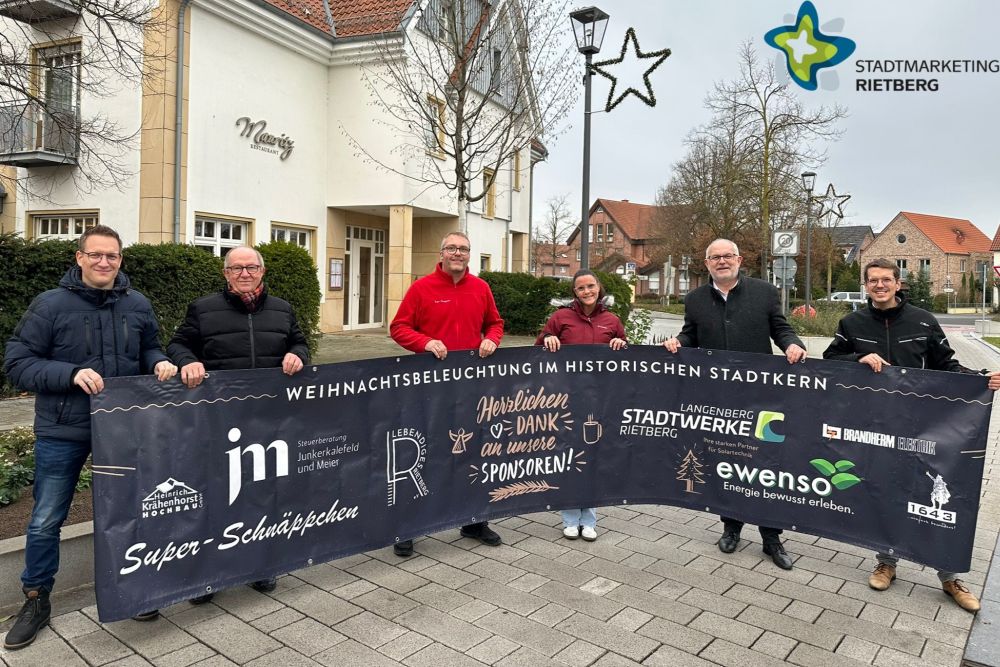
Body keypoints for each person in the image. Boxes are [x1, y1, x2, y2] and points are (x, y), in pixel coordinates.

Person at [3, 226, 177, 649]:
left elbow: (150, 348)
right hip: (63, 429)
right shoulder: (50, 305)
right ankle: (36, 598)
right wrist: (70, 374)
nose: (104, 263)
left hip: (121, 429)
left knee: (129, 511)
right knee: (46, 518)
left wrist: (161, 363)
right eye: (95, 255)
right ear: (79, 258)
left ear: (121, 261)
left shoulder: (137, 304)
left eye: (112, 256)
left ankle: (133, 587)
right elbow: (17, 363)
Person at [823, 257, 1000, 612]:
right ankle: (887, 561)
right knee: (885, 491)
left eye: (886, 280)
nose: (879, 286)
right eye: (873, 281)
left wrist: (982, 378)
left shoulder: (923, 320)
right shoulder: (852, 322)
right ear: (866, 285)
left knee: (934, 497)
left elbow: (947, 365)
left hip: (922, 427)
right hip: (876, 426)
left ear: (898, 283)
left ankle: (949, 577)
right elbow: (829, 360)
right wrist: (858, 357)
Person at [168, 245, 309, 603]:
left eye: (251, 267)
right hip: (219, 419)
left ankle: (261, 565)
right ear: (225, 273)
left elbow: (299, 341)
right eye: (236, 268)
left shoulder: (283, 309)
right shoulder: (203, 308)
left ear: (263, 271)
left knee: (262, 492)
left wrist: (298, 354)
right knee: (216, 494)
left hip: (267, 420)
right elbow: (179, 344)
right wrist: (187, 361)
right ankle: (208, 575)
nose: (244, 273)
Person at [663, 238, 806, 570]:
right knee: (727, 462)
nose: (722, 261)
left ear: (740, 260)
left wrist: (793, 345)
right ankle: (731, 527)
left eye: (728, 256)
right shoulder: (696, 298)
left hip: (761, 400)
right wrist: (678, 342)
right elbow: (691, 334)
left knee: (767, 466)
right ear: (707, 263)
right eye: (716, 257)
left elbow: (781, 329)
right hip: (719, 399)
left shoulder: (765, 292)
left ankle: (772, 538)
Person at [390, 231, 504, 556]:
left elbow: (495, 323)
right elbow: (399, 327)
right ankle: (409, 526)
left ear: (469, 255)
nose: (458, 253)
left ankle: (473, 521)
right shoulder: (421, 288)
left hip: (470, 387)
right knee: (422, 454)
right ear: (441, 254)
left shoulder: (481, 288)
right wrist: (424, 342)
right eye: (452, 248)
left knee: (471, 453)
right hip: (428, 388)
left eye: (464, 249)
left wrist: (492, 340)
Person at [536, 269, 627, 542]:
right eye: (580, 288)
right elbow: (537, 350)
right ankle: (569, 517)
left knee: (594, 458)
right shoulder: (561, 317)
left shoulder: (612, 320)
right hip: (566, 399)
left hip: (599, 400)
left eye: (590, 286)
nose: (586, 291)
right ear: (574, 292)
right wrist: (547, 340)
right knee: (569, 457)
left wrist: (620, 343)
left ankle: (589, 518)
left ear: (599, 287)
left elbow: (627, 357)